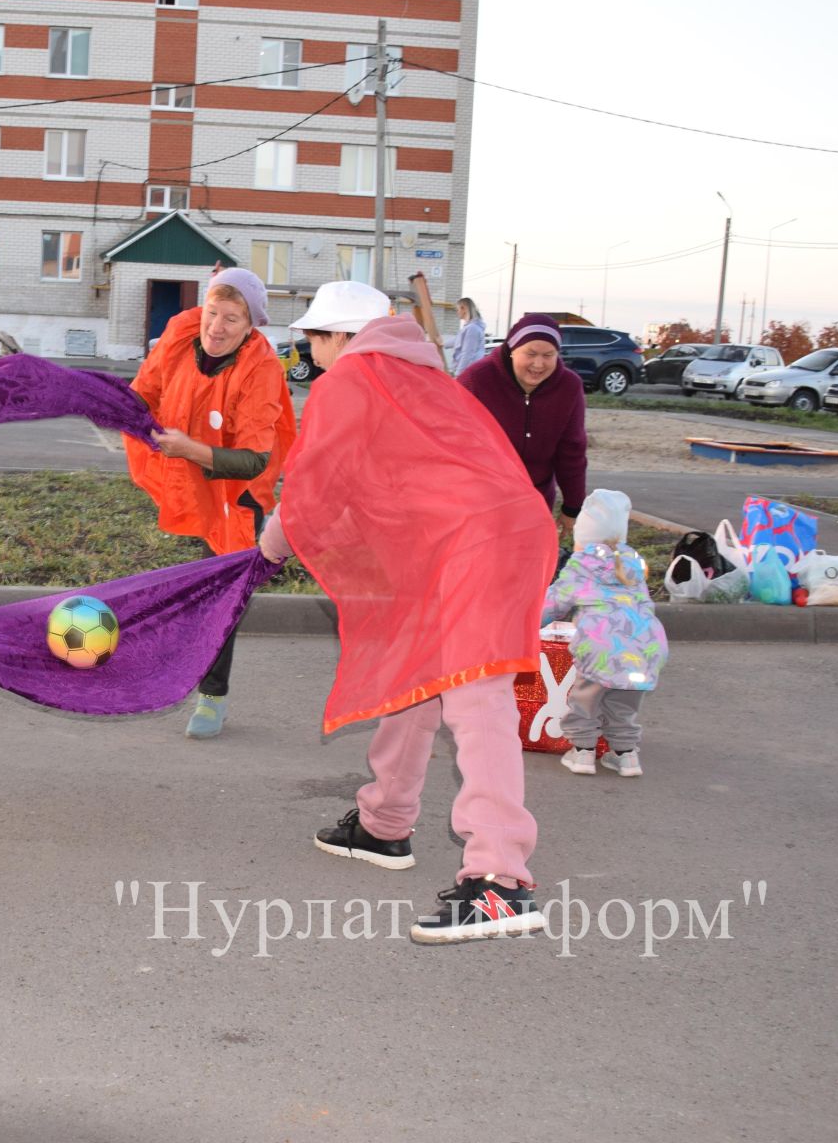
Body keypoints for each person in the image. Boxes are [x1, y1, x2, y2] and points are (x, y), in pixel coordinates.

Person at [258, 280, 555, 945]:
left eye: (314, 337)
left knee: (478, 701)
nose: (310, 349)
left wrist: (267, 550)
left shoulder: (353, 377)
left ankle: (501, 879)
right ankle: (384, 823)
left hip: (470, 543)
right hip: (497, 532)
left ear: (342, 335)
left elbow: (317, 484)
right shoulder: (424, 373)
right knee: (420, 672)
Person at [126, 266, 296, 739]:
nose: (216, 327)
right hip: (190, 475)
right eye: (214, 313)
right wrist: (115, 406)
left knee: (221, 596)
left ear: (251, 327)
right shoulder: (183, 331)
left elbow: (254, 460)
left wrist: (190, 449)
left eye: (233, 319)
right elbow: (146, 390)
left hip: (238, 489)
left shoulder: (260, 368)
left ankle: (211, 696)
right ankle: (169, 665)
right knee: (198, 591)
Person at [539, 489, 667, 779]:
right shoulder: (633, 564)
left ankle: (582, 752)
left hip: (601, 645)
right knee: (623, 702)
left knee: (585, 699)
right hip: (645, 647)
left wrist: (528, 625)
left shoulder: (581, 565)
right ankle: (626, 756)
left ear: (582, 537)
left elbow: (555, 603)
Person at [458, 312, 588, 554]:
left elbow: (572, 450)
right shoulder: (476, 380)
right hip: (482, 501)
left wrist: (572, 506)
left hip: (535, 498)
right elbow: (454, 445)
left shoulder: (569, 387)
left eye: (548, 355)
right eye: (531, 354)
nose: (538, 364)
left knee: (525, 565)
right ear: (511, 349)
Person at [450, 296, 486, 374]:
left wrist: (458, 375)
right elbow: (457, 340)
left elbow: (467, 354)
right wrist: (439, 342)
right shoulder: (470, 327)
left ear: (464, 309)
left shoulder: (472, 329)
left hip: (470, 373)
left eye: (458, 309)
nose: (457, 312)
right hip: (470, 372)